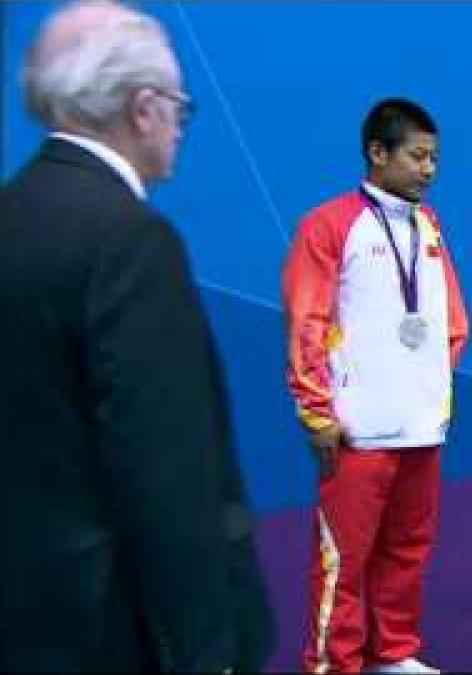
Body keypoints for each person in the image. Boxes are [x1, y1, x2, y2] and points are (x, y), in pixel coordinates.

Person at [0, 1, 273, 671]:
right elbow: (167, 480)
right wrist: (207, 653)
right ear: (143, 108)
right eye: (181, 106)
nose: (181, 127)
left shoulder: (12, 215)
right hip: (108, 631)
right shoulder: (131, 242)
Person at [283, 98, 469, 674]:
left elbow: (452, 319)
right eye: (417, 156)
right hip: (358, 429)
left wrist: (431, 387)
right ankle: (332, 664)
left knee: (408, 549)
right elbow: (305, 321)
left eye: (435, 158)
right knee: (344, 557)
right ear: (377, 153)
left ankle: (393, 652)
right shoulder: (330, 224)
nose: (429, 169)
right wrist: (317, 410)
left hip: (420, 426)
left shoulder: (429, 225)